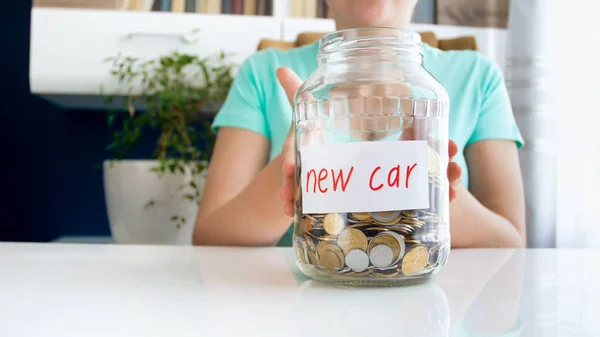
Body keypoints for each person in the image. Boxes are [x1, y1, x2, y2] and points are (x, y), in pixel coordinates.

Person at [193, 0, 526, 248]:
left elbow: (512, 244)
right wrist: (296, 168)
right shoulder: (263, 72)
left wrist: (431, 187)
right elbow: (210, 238)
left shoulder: (478, 76)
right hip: (291, 302)